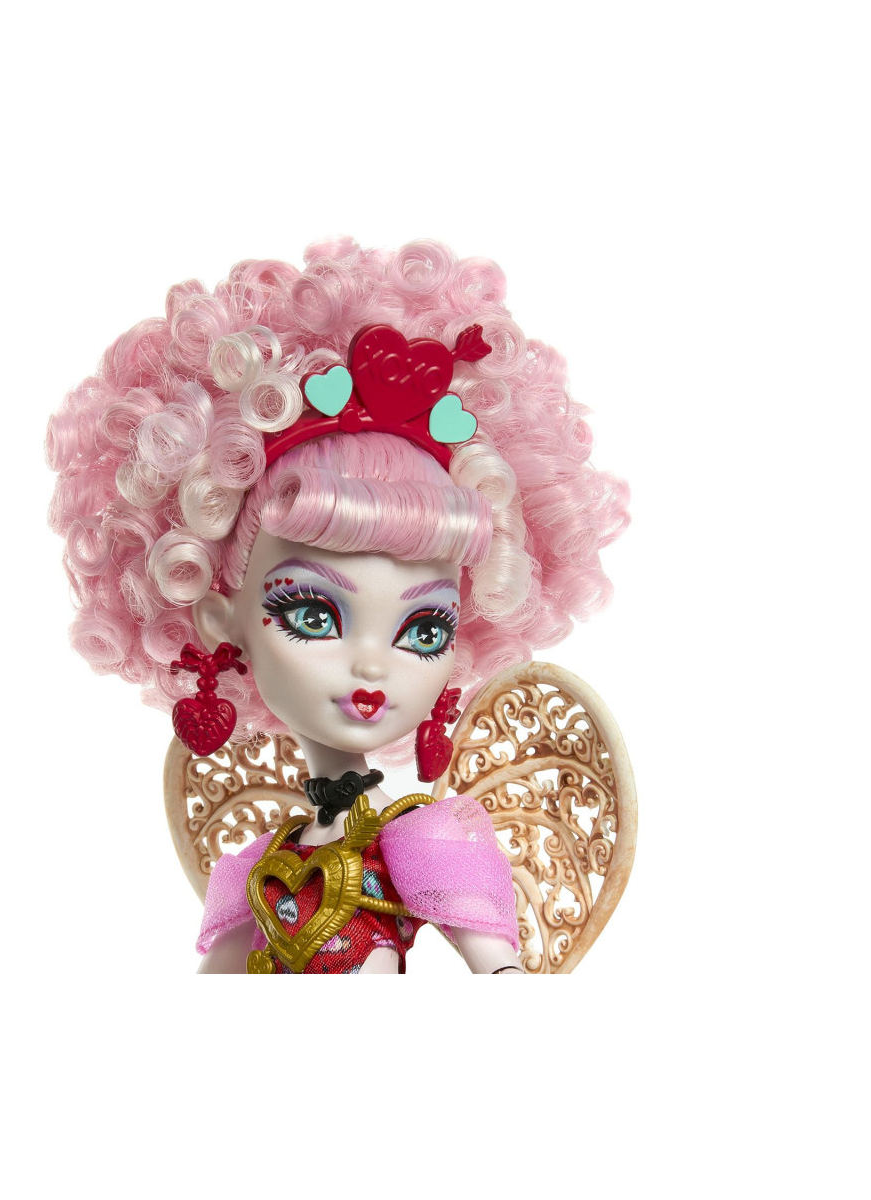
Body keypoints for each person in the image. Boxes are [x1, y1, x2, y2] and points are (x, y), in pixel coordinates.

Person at [46, 237, 629, 973]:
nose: (371, 665)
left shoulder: (425, 843)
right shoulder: (257, 867)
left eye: (425, 629)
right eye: (314, 616)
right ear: (218, 619)